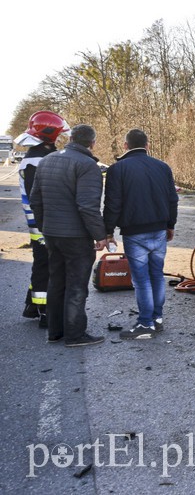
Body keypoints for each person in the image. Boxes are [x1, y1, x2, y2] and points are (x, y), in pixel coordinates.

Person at [29, 124, 110, 347]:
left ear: (71, 138)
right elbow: (87, 206)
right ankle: (75, 335)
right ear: (92, 143)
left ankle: (55, 331)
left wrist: (45, 226)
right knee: (76, 285)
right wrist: (99, 235)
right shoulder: (87, 166)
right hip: (76, 237)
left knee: (56, 281)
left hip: (52, 233)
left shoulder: (47, 160)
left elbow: (35, 199)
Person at [104, 129, 179, 340]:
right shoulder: (163, 167)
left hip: (134, 232)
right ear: (147, 146)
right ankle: (157, 319)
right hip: (159, 230)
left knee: (142, 280)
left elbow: (112, 203)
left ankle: (145, 324)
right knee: (157, 275)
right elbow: (173, 199)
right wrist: (170, 224)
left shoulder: (117, 169)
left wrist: (108, 231)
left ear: (125, 146)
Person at [14, 111, 70, 327]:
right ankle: (46, 312)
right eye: (58, 135)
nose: (60, 139)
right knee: (46, 265)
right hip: (42, 222)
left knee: (44, 263)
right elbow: (38, 197)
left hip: (40, 220)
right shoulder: (37, 161)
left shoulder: (36, 157)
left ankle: (32, 306)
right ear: (49, 135)